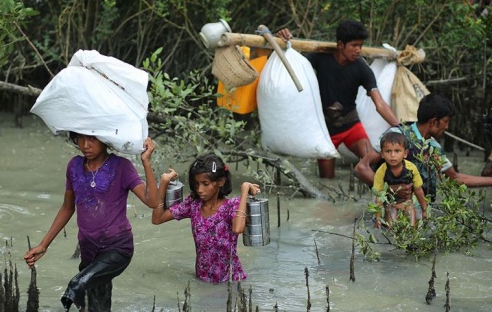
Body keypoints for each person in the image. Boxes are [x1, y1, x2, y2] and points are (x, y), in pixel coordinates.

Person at [24, 133, 159, 312]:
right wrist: (44, 245)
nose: (86, 145)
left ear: (105, 139)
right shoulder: (74, 166)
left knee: (77, 285)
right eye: (80, 138)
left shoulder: (121, 167)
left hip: (117, 249)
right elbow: (67, 208)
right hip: (89, 250)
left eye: (93, 139)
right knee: (95, 307)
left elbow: (152, 201)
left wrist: (146, 162)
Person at [276, 20, 400, 178]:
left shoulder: (362, 68)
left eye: (360, 46)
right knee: (327, 178)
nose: (358, 50)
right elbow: (295, 65)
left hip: (351, 126)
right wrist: (285, 43)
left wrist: (399, 126)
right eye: (354, 45)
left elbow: (380, 103)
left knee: (370, 161)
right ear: (340, 45)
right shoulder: (320, 57)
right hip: (325, 130)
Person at [355, 93, 492, 199]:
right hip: (392, 209)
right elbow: (361, 168)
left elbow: (455, 178)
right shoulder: (397, 135)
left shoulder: (433, 147)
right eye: (446, 121)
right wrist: (390, 191)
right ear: (433, 122)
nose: (447, 127)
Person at [151, 154, 260, 283]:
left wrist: (244, 192)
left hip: (231, 281)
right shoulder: (193, 204)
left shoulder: (231, 206)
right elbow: (157, 219)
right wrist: (164, 183)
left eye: (205, 184)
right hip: (202, 279)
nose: (200, 190)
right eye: (197, 184)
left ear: (220, 182)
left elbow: (238, 228)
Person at [372, 132, 427, 228]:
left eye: (397, 151)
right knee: (391, 229)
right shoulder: (381, 171)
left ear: (405, 153)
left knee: (411, 228)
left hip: (407, 203)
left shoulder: (411, 168)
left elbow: (418, 191)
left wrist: (424, 210)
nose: (393, 155)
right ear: (382, 154)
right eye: (388, 151)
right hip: (391, 204)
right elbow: (379, 197)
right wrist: (378, 218)